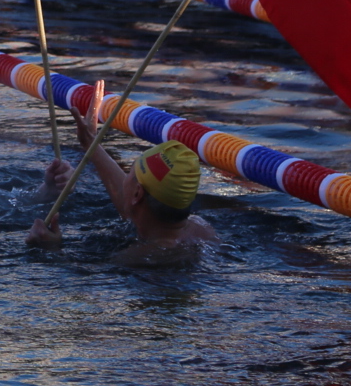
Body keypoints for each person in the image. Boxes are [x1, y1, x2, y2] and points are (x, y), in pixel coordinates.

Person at [25, 98, 220, 267]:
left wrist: (51, 252)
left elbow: (82, 284)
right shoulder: (200, 228)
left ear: (137, 194)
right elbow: (134, 205)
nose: (123, 177)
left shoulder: (139, 257)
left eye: (129, 173)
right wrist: (91, 145)